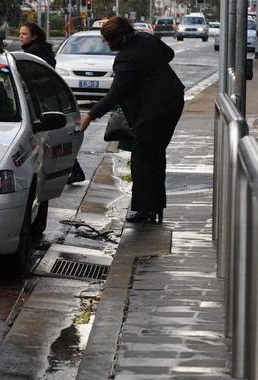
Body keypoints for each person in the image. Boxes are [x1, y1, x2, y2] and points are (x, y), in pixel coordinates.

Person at [76, 16, 185, 224]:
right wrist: (151, 71)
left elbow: (115, 93)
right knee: (155, 155)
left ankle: (145, 209)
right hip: (173, 100)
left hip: (153, 110)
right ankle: (156, 205)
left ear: (119, 38)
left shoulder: (126, 59)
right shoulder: (147, 39)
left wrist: (89, 116)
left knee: (142, 158)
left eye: (108, 40)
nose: (107, 44)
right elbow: (168, 54)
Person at [16, 21, 87, 185]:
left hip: (41, 99)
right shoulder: (39, 49)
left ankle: (71, 171)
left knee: (47, 137)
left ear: (34, 36)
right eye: (20, 33)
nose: (20, 37)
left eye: (24, 34)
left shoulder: (34, 52)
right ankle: (74, 171)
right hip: (46, 97)